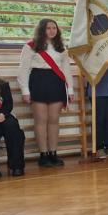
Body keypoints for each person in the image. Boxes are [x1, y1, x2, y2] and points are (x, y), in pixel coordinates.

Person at [18, 18, 75, 167]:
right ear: (42, 29)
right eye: (48, 28)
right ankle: (43, 155)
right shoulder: (31, 46)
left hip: (56, 83)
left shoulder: (61, 47)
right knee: (41, 120)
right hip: (38, 82)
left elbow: (66, 70)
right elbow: (23, 70)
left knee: (54, 120)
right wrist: (25, 91)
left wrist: (70, 89)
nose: (52, 31)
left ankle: (53, 153)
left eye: (54, 28)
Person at [0, 59, 25, 177]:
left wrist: (2, 114)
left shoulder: (3, 84)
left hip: (3, 115)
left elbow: (8, 104)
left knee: (12, 126)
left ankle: (16, 165)